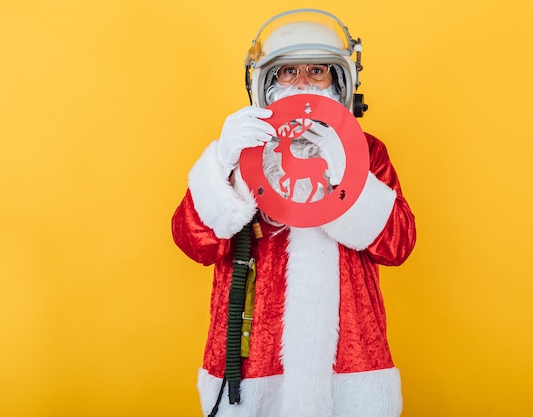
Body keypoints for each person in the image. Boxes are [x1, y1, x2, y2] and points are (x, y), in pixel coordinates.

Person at [172, 9, 416, 417]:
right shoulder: (239, 150)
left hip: (349, 363)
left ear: (340, 81)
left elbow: (399, 244)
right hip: (254, 360)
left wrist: (349, 173)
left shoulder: (368, 151)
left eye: (317, 70)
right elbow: (193, 242)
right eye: (287, 72)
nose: (302, 81)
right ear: (265, 82)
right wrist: (222, 163)